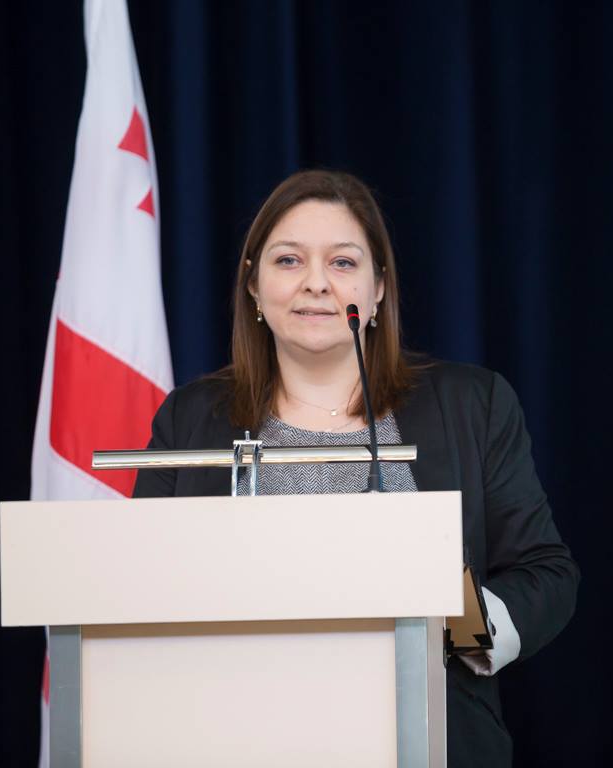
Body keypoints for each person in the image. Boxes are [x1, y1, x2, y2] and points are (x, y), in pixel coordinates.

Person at [133, 169, 579, 766]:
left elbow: (546, 573)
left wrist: (463, 621)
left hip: (428, 739)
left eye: (342, 262)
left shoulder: (473, 405)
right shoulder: (190, 417)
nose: (316, 282)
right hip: (233, 738)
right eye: (289, 260)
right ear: (254, 287)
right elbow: (139, 586)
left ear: (378, 290)